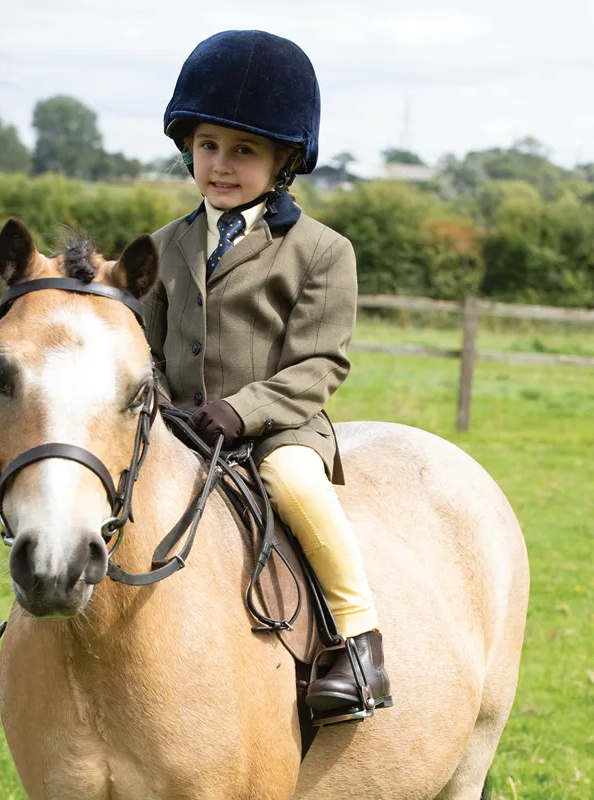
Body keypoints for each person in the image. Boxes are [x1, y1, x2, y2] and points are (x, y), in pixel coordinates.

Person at [145, 29, 391, 722]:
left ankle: (357, 639)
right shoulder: (163, 246)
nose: (221, 166)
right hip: (176, 426)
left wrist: (242, 410)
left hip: (277, 429)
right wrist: (161, 409)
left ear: (284, 159)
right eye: (208, 146)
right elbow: (143, 348)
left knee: (294, 486)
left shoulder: (320, 252)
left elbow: (319, 363)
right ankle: (31, 637)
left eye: (244, 150)